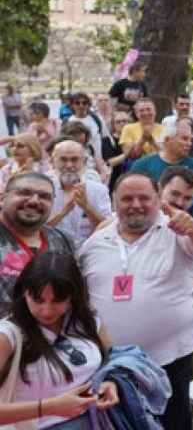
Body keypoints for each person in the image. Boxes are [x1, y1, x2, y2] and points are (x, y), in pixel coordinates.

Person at [77, 171, 193, 430]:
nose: (135, 204)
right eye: (127, 198)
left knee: (173, 424)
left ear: (158, 199)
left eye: (144, 198)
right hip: (113, 365)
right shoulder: (96, 241)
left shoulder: (178, 231)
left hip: (170, 360)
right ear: (114, 202)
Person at [0, 251, 120, 428]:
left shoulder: (86, 323)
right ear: (24, 293)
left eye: (58, 300)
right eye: (38, 300)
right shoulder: (8, 335)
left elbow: (113, 359)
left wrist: (110, 381)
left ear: (73, 296)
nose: (47, 311)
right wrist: (48, 408)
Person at [0, 173, 76, 318]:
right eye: (24, 193)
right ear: (2, 198)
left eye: (44, 196)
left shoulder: (62, 240)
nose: (34, 201)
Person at [46, 141, 111, 248]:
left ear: (84, 161)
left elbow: (108, 230)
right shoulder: (43, 188)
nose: (69, 165)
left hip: (88, 250)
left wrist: (87, 207)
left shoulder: (98, 190)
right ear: (53, 161)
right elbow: (35, 230)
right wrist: (63, 212)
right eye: (63, 159)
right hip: (51, 251)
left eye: (74, 159)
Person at [130, 119, 193, 189]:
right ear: (167, 140)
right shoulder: (142, 166)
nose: (189, 143)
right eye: (185, 139)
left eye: (190, 139)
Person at [64, 92, 104, 162]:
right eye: (77, 103)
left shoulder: (96, 119)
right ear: (72, 105)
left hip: (97, 158)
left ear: (88, 105)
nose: (81, 105)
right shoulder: (67, 121)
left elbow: (102, 136)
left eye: (84, 103)